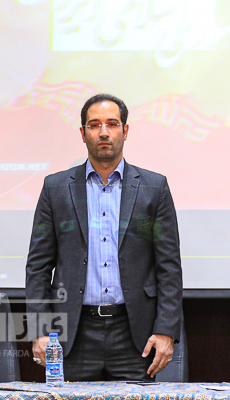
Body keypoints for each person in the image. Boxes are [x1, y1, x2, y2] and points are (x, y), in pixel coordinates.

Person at [25, 93, 183, 380]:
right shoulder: (56, 188)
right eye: (94, 125)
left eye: (112, 124)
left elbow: (169, 267)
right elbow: (38, 266)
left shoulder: (154, 187)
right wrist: (39, 329)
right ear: (83, 133)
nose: (103, 132)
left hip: (135, 334)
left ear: (125, 130)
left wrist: (165, 330)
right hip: (73, 334)